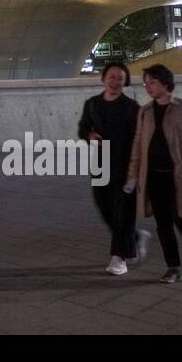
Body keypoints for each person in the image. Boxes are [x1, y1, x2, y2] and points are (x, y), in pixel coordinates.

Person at [125, 64, 182, 283]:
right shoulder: (145, 111)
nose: (148, 87)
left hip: (178, 177)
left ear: (165, 82)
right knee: (162, 224)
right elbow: (138, 144)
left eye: (152, 82)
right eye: (145, 83)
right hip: (153, 177)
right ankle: (173, 267)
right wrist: (133, 175)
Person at [77, 62, 149, 275]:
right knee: (104, 208)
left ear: (125, 81)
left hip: (126, 165)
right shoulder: (92, 104)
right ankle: (134, 238)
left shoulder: (131, 107)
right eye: (112, 76)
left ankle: (120, 258)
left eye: (120, 77)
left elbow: (139, 138)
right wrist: (89, 135)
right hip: (100, 164)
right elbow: (83, 128)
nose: (116, 81)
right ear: (103, 78)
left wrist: (137, 170)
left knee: (122, 213)